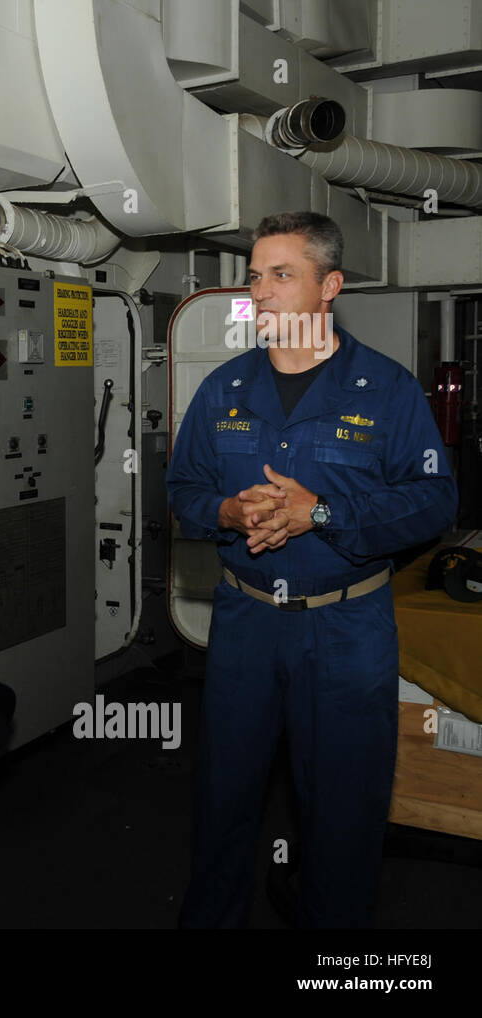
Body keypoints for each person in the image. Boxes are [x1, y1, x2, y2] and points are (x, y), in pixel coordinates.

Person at [167, 211, 458, 928]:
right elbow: (180, 492)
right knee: (224, 801)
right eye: (255, 275)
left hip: (346, 628)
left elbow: (432, 502)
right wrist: (228, 514)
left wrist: (321, 513)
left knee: (343, 813)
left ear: (328, 286)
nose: (259, 292)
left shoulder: (386, 390)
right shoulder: (224, 389)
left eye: (280, 275)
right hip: (246, 622)